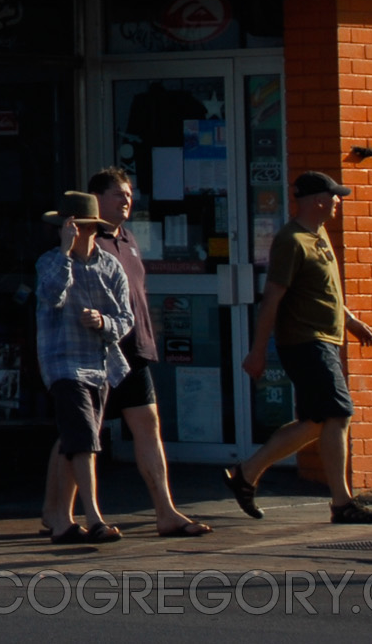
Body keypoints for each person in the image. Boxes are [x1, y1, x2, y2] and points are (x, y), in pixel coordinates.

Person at [223, 172, 372, 525]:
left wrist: (352, 321)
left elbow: (321, 290)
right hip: (305, 341)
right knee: (338, 414)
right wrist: (257, 351)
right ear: (318, 201)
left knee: (317, 422)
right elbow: (272, 300)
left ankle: (246, 473)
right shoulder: (291, 240)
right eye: (335, 196)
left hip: (325, 338)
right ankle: (342, 503)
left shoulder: (318, 235)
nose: (339, 201)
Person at [59, 168, 211, 536]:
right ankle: (56, 514)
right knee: (78, 434)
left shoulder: (128, 239)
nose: (126, 200)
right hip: (95, 352)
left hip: (134, 347)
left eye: (129, 194)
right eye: (117, 194)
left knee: (148, 426)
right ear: (96, 200)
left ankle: (166, 512)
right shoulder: (83, 244)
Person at [36, 190, 137, 545]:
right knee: (83, 440)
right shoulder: (50, 261)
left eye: (77, 226)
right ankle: (93, 516)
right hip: (63, 364)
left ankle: (61, 520)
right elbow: (52, 294)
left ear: (91, 228)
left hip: (100, 363)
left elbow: (126, 319)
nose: (72, 230)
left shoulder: (110, 267)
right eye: (66, 226)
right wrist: (65, 252)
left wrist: (103, 323)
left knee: (76, 441)